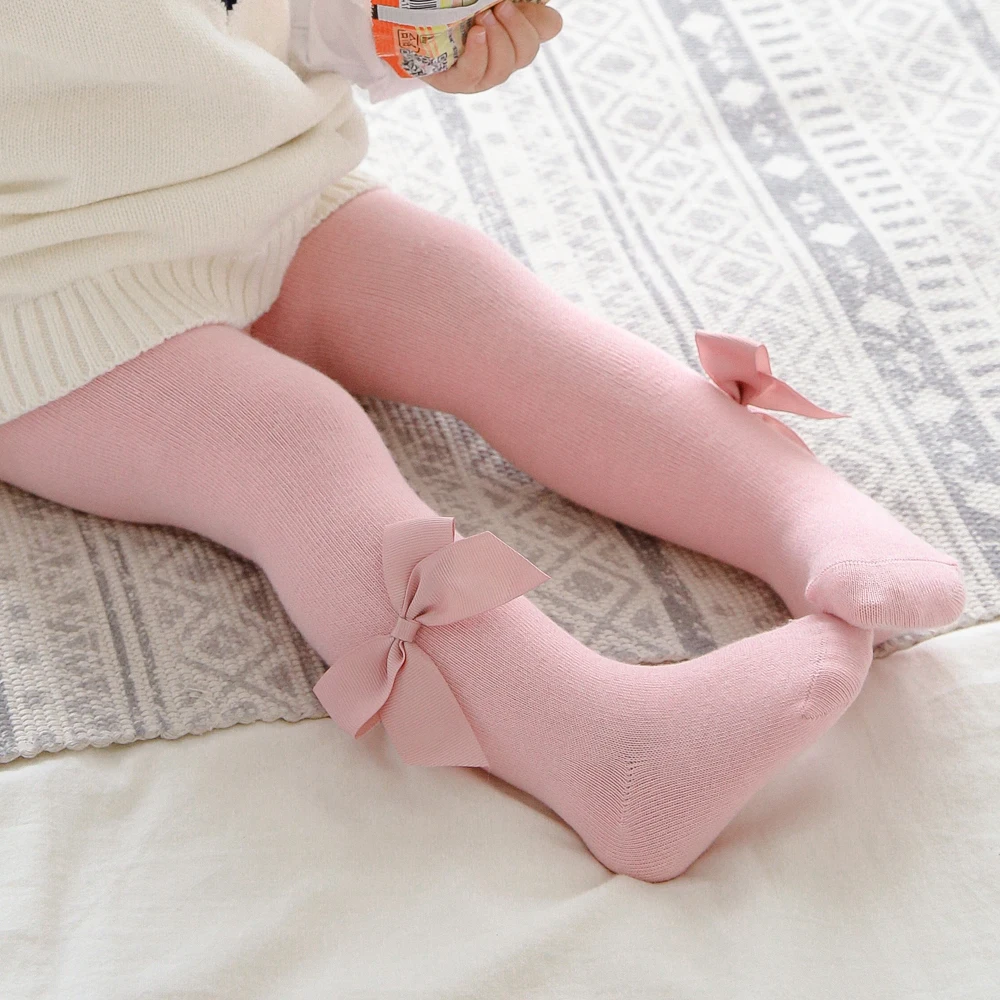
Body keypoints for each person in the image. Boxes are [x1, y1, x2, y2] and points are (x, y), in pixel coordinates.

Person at [0, 0, 964, 882]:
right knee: (288, 441)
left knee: (480, 306)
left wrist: (411, 30)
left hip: (254, 189)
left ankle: (797, 512)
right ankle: (609, 752)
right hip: (42, 287)